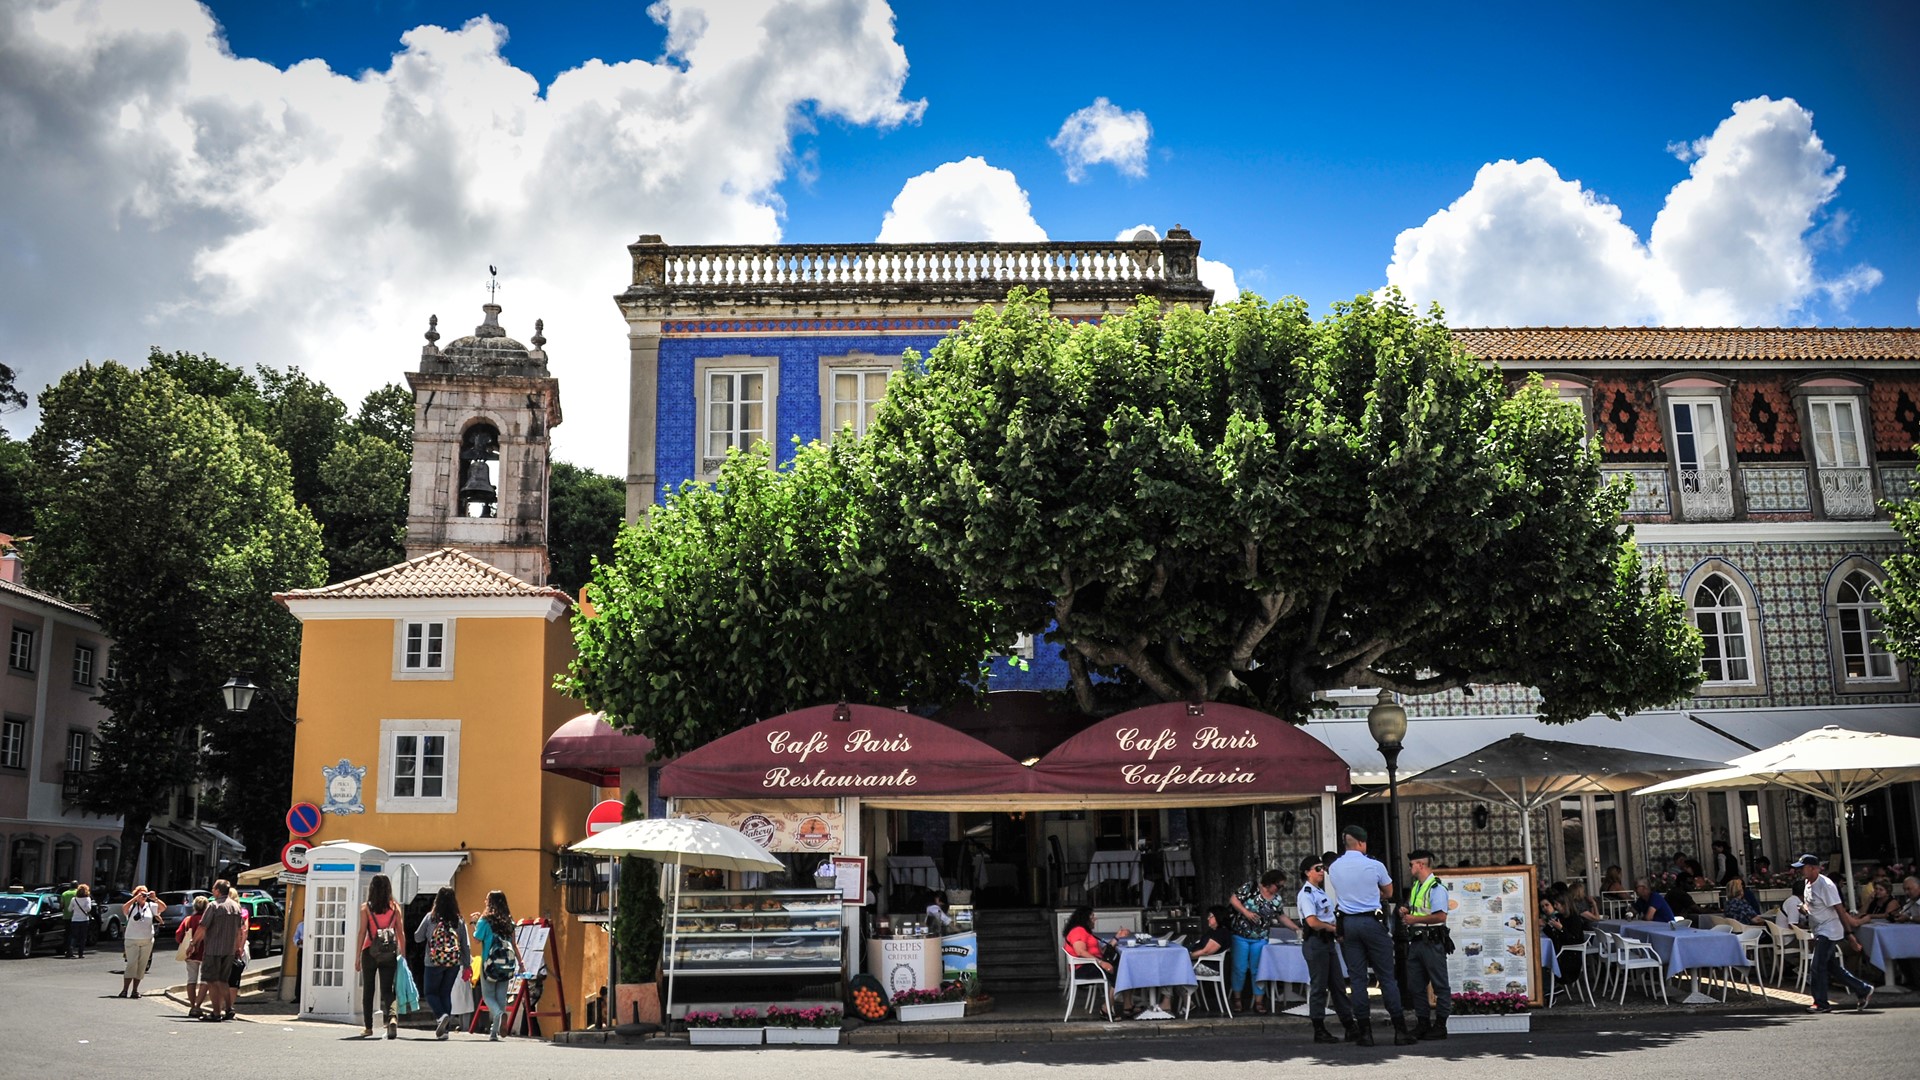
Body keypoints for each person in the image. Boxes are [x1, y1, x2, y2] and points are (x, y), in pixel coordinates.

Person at [1328, 825, 1410, 1046]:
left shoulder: (1334, 868)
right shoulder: (1375, 865)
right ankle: (1400, 1030)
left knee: (1357, 979)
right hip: (1372, 921)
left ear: (1345, 844)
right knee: (1386, 977)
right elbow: (1389, 892)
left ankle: (1365, 1032)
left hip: (1348, 923)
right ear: (1362, 843)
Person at [1794, 854, 1874, 1013]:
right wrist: (1804, 909)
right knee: (1832, 967)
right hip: (1819, 929)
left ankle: (1821, 1003)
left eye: (1802, 868)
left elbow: (1840, 910)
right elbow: (1812, 905)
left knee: (1816, 966)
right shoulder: (1807, 883)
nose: (1800, 871)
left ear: (1814, 868)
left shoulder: (1826, 885)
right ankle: (1863, 989)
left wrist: (1849, 934)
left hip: (1829, 930)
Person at [1295, 859, 1355, 1044]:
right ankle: (1319, 1028)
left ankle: (1350, 1026)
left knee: (1338, 986)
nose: (1322, 872)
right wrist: (1332, 929)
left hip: (1327, 943)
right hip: (1316, 941)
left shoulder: (1319, 892)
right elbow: (1312, 922)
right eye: (1317, 869)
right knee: (1319, 987)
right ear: (1307, 872)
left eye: (1323, 868)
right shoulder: (1306, 894)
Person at [1227, 868, 1298, 1014]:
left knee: (1258, 970)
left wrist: (1295, 928)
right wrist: (1246, 912)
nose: (1279, 889)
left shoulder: (1276, 900)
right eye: (1278, 886)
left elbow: (1280, 916)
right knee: (1239, 969)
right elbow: (1234, 899)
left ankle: (1259, 1001)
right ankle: (1237, 999)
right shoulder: (1251, 888)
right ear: (1269, 883)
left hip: (1260, 937)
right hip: (1241, 935)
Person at [1400, 849, 1452, 1041]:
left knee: (1440, 985)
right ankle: (1423, 1023)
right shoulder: (1417, 887)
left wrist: (1414, 919)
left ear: (1421, 865)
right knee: (1416, 986)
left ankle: (1440, 1025)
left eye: (1412, 864)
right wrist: (1406, 911)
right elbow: (1417, 910)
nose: (1410, 868)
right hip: (1416, 941)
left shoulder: (1435, 887)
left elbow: (1440, 915)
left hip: (1432, 941)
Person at [417, 885, 469, 1039]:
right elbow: (464, 944)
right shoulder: (458, 920)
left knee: (430, 993)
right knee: (445, 993)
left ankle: (441, 1016)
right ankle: (445, 1031)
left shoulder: (430, 918)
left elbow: (417, 937)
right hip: (453, 962)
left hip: (433, 961)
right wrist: (466, 964)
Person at [358, 872, 406, 1039]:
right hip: (389, 953)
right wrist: (403, 955)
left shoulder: (366, 908)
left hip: (369, 951)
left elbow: (362, 932)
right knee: (388, 990)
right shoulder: (395, 908)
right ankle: (392, 1017)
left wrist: (357, 957)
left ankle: (368, 1027)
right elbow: (401, 933)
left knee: (369, 990)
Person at [197, 880, 248, 1023]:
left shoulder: (213, 906)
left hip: (213, 949)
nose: (212, 890)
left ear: (218, 891)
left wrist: (193, 943)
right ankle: (229, 1008)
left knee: (212, 981)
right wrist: (238, 947)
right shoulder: (236, 907)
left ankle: (216, 1012)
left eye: (213, 888)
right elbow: (240, 930)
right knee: (223, 981)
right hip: (229, 950)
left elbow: (203, 927)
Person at [472, 890, 517, 1040]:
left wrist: (474, 923)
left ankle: (498, 1015)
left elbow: (477, 939)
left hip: (489, 964)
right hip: (507, 965)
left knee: (487, 996)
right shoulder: (509, 921)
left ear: (490, 902)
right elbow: (514, 944)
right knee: (501, 998)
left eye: (487, 899)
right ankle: (494, 1032)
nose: (485, 901)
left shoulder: (485, 920)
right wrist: (521, 964)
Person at [118, 886, 164, 998]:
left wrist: (155, 898)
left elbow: (163, 908)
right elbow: (124, 909)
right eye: (141, 895)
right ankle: (125, 990)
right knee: (131, 964)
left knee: (142, 965)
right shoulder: (132, 906)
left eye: (145, 895)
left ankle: (135, 990)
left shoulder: (150, 906)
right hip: (131, 939)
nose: (143, 897)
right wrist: (135, 899)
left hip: (147, 940)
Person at [176, 895, 210, 1018]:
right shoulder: (209, 919)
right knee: (205, 981)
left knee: (191, 980)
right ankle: (198, 1006)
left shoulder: (188, 920)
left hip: (190, 954)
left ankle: (192, 1006)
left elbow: (178, 935)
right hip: (206, 953)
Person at [64, 883, 93, 959]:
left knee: (74, 936)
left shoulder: (74, 899)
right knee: (83, 937)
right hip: (84, 919)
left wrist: (75, 908)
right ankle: (81, 953)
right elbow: (88, 909)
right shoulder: (87, 899)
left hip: (75, 919)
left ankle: (70, 948)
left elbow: (69, 909)